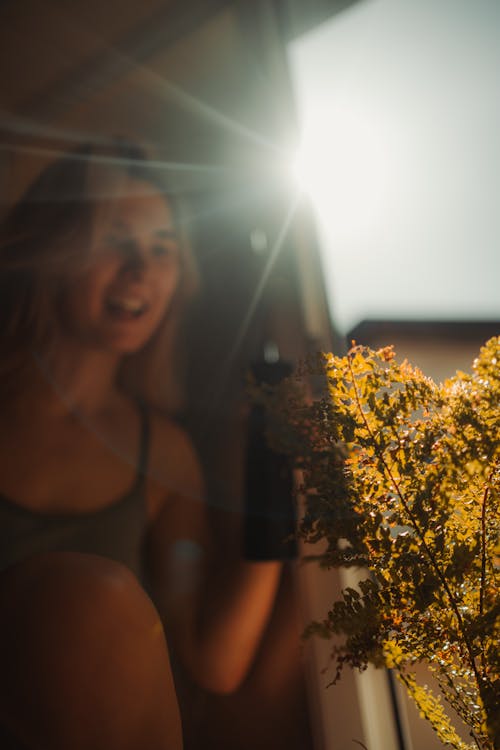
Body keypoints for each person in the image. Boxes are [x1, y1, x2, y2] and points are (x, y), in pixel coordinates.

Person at [0, 141, 283, 750]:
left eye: (162, 249)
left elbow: (213, 660)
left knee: (95, 601)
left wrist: (278, 473)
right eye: (114, 239)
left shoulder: (163, 455)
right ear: (54, 247)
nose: (140, 270)